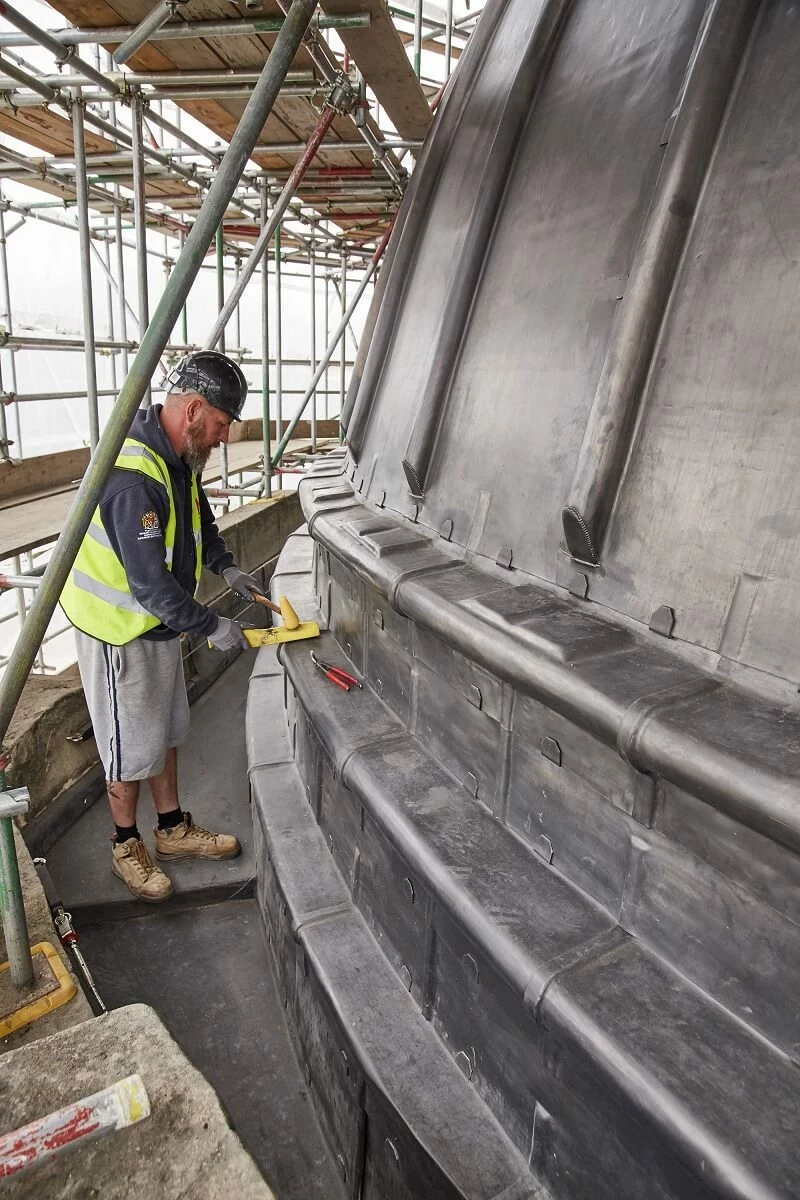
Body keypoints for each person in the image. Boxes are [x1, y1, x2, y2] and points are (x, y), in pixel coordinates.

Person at [60, 351, 259, 903]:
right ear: (194, 410)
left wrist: (226, 566)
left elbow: (200, 517)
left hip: (158, 626)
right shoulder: (133, 480)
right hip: (119, 631)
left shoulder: (176, 456)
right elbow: (148, 585)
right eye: (221, 425)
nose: (223, 438)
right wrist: (213, 625)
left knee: (166, 732)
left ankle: (171, 830)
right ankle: (125, 845)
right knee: (128, 747)